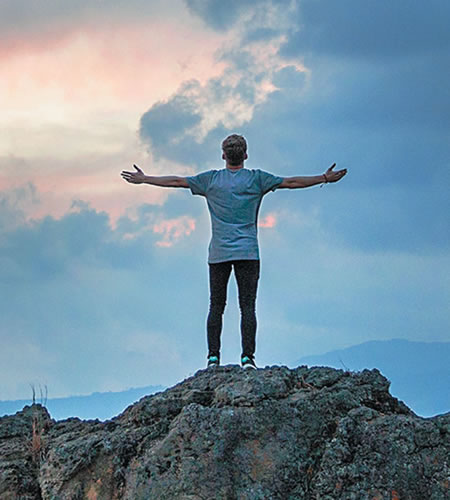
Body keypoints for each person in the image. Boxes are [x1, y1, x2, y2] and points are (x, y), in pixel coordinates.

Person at [121, 134, 347, 370]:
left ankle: (213, 359)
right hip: (248, 252)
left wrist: (145, 179)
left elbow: (177, 181)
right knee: (247, 306)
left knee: (216, 305)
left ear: (223, 155)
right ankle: (248, 358)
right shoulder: (257, 179)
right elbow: (291, 183)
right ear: (246, 155)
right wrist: (324, 178)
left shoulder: (211, 180)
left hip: (219, 253)